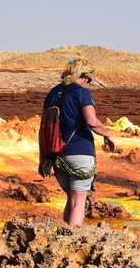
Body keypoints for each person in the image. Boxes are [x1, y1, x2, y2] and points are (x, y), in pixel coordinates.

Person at [43, 59, 118, 227]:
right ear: (83, 76)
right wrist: (108, 135)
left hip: (57, 155)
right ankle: (72, 241)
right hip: (79, 153)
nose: (88, 82)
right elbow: (92, 121)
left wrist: (45, 158)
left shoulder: (53, 93)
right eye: (88, 78)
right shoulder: (81, 93)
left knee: (71, 199)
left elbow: (46, 126)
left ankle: (63, 237)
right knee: (79, 202)